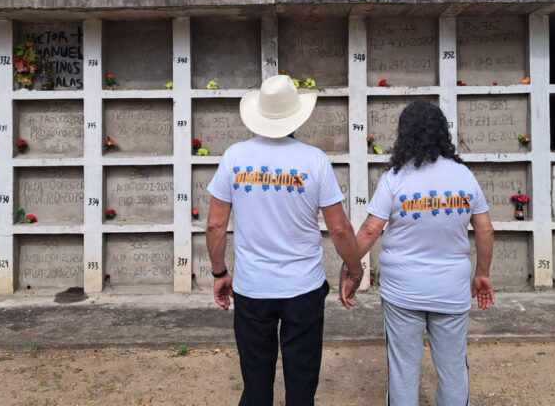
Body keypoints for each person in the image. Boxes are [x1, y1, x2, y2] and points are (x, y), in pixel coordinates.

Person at [206, 74, 363, 406]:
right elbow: (339, 229)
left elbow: (215, 227)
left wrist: (220, 274)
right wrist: (354, 269)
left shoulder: (234, 157)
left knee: (256, 381)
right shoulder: (314, 160)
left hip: (252, 289)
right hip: (303, 289)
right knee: (302, 382)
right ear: (297, 116)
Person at [341, 100, 495, 406]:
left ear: (404, 134)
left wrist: (351, 270)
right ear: (442, 132)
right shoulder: (463, 176)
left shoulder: (395, 178)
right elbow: (485, 230)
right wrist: (482, 273)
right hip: (451, 289)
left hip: (403, 290)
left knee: (403, 370)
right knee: (453, 368)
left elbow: (371, 230)